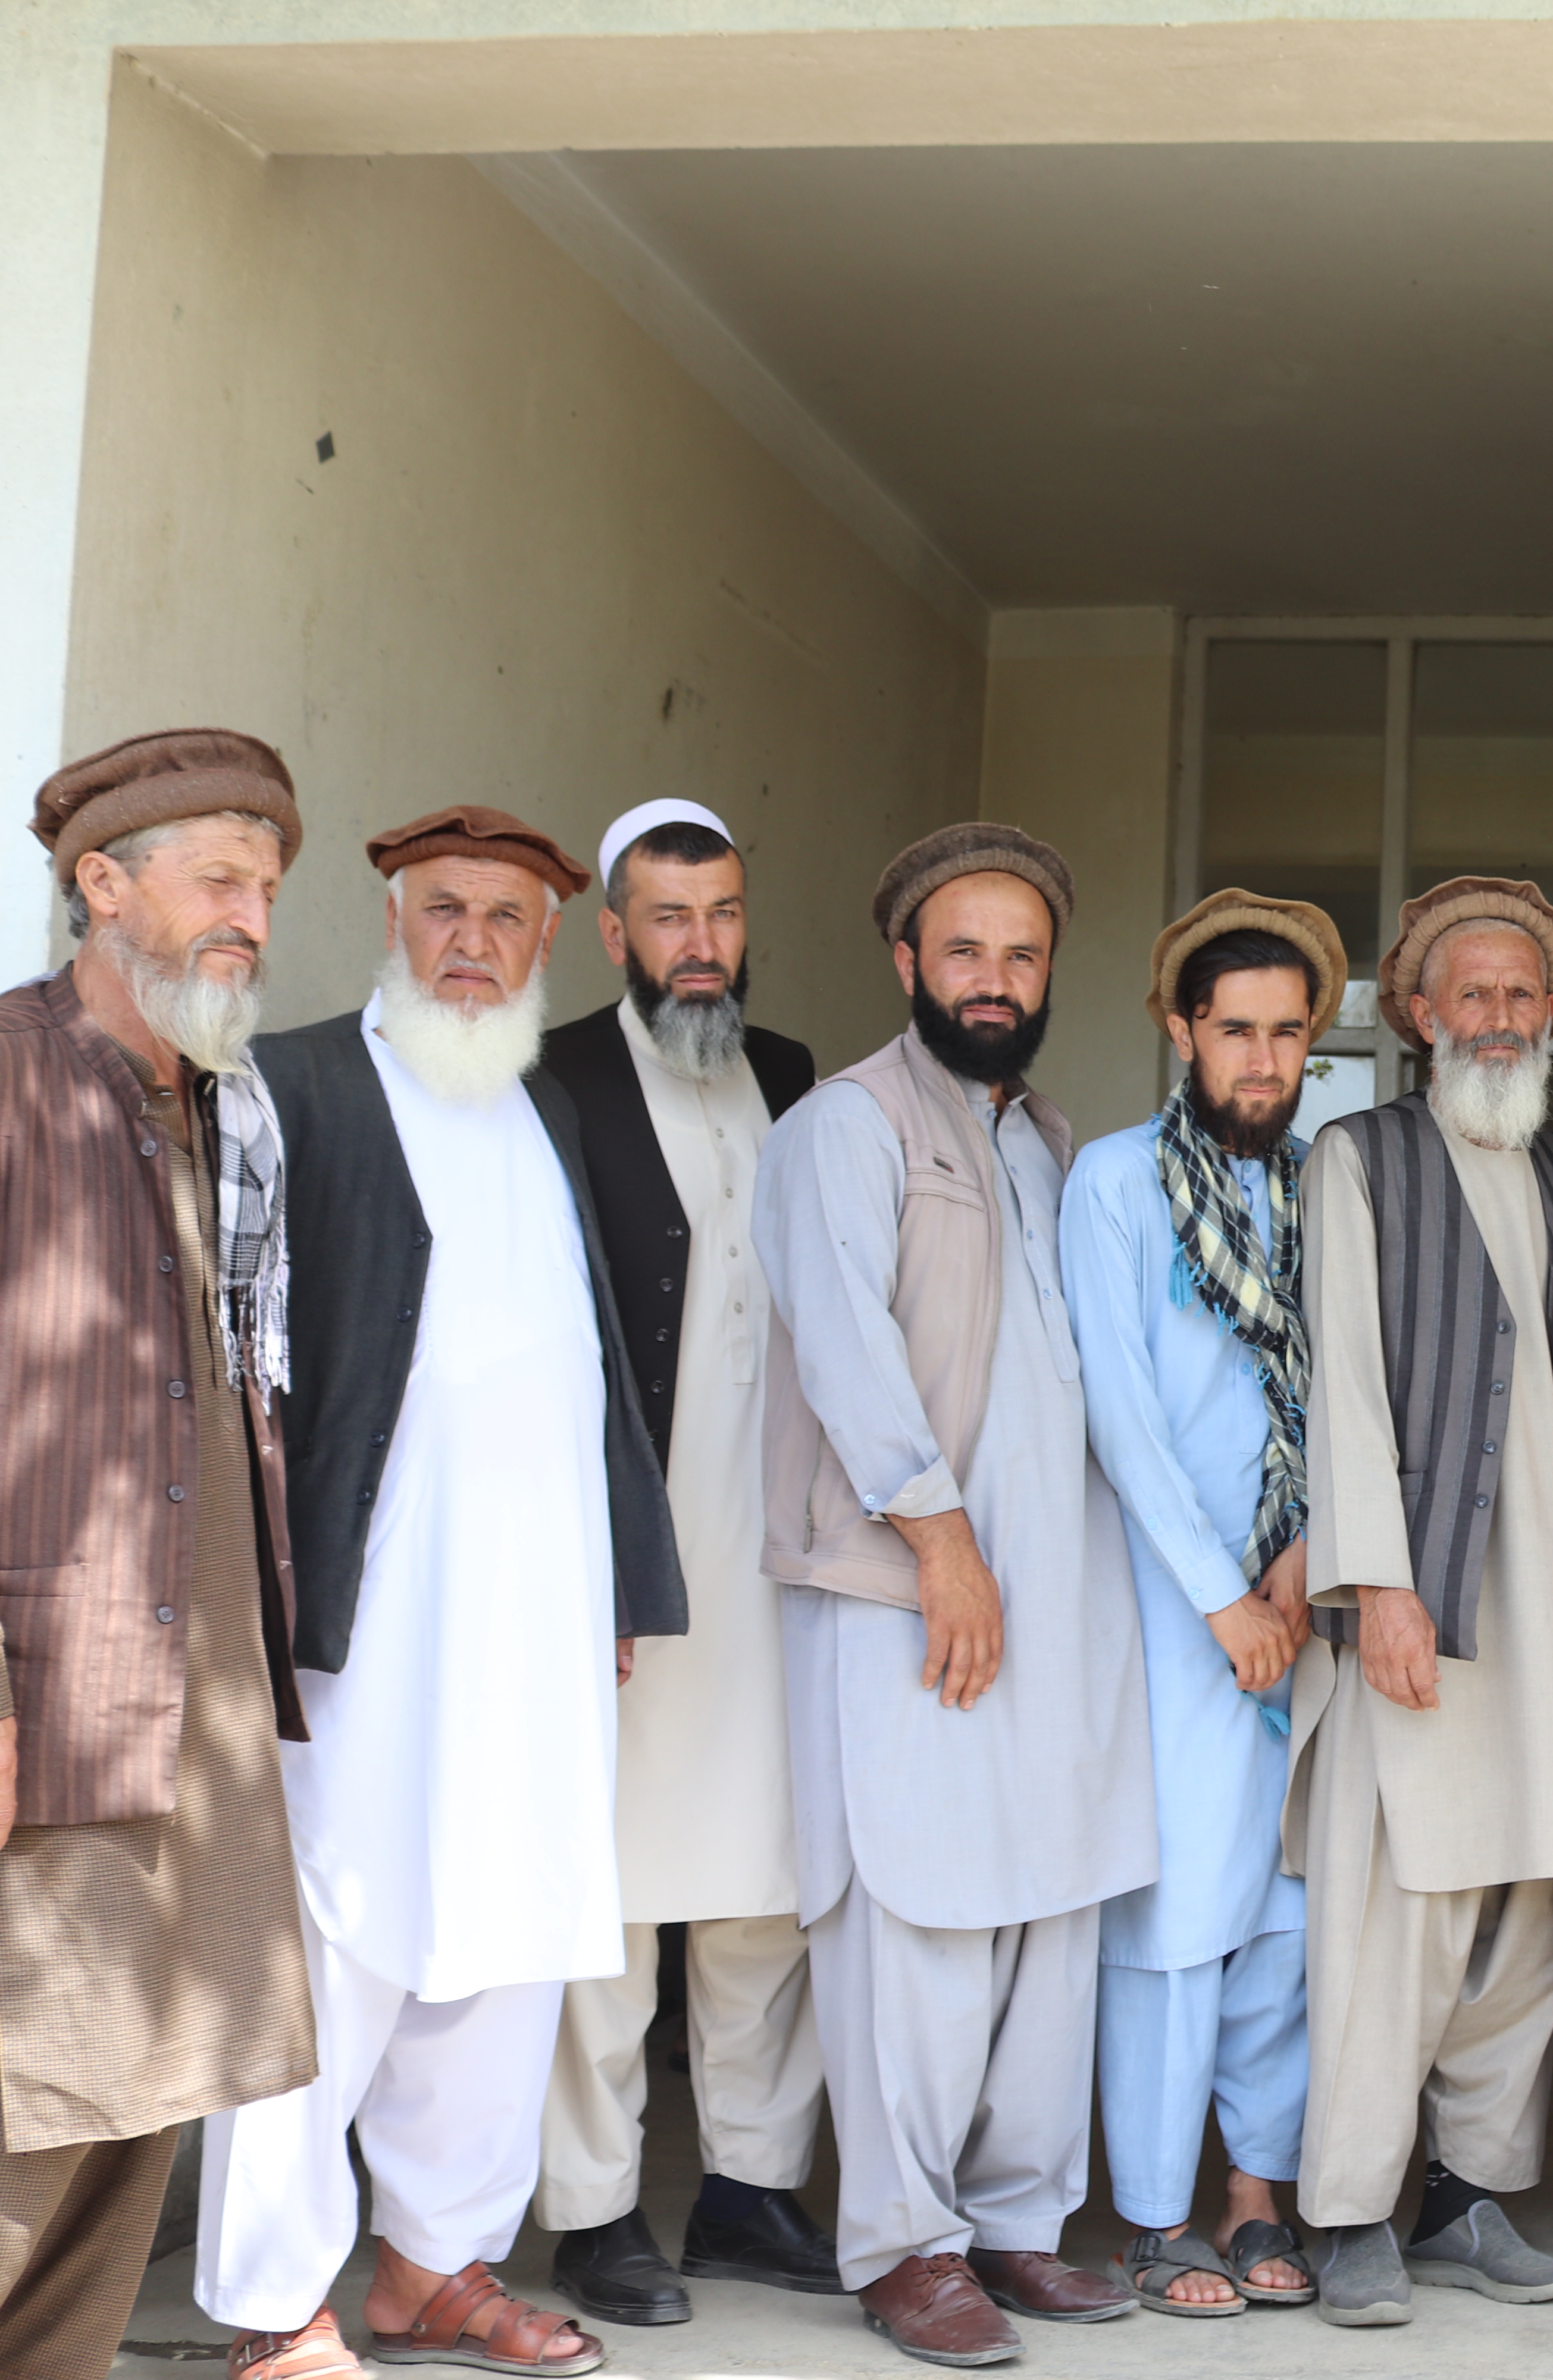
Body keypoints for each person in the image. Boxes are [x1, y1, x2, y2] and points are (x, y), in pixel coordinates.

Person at [203, 806, 688, 2380]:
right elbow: (231, 1359)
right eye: (440, 910)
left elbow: (590, 1363)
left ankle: (433, 2264)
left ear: (548, 944)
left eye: (502, 918)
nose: (470, 941)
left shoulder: (539, 1106)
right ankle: (278, 2305)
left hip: (536, 1623)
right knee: (334, 1940)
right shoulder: (296, 1086)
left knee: (509, 1934)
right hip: (367, 1620)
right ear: (391, 922)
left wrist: (616, 1571)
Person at [755, 825, 1154, 2366]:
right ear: (907, 962)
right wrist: (941, 1544)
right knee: (914, 1922)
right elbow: (849, 1349)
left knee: (1047, 1915)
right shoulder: (846, 1125)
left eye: (1023, 954)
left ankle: (1017, 2223)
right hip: (911, 1590)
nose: (994, 980)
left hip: (1059, 1599)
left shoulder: (1049, 1136)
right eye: (965, 950)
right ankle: (906, 2243)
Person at [0, 734, 314, 2380]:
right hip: (48, 1698)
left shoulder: (223, 1111)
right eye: (218, 879)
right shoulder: (8, 1077)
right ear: (102, 887)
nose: (251, 917)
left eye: (266, 887)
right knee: (35, 2104)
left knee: (143, 2105)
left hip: (186, 1701)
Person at [531, 800, 835, 2325]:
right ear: (614, 930)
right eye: (670, 918)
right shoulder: (556, 1076)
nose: (702, 947)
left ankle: (749, 2186)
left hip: (773, 1548)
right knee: (613, 1896)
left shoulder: (784, 1073)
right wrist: (580, 1559)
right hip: (632, 1550)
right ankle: (592, 2211)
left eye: (721, 915)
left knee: (765, 1889)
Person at [1286, 876, 1553, 2327]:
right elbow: (1339, 1377)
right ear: (1419, 1014)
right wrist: (1380, 1585)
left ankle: (1469, 2192)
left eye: (1521, 994)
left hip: (1549, 1611)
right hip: (1420, 1597)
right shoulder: (1357, 1157)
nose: (1498, 1016)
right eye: (1472, 992)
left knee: (1528, 1903)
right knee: (1396, 1906)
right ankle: (1348, 2207)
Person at [1059, 891, 1341, 2316]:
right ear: (1182, 1030)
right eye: (1236, 1029)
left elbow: (1342, 1394)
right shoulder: (1114, 1181)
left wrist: (1301, 1558)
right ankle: (1157, 2217)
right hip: (1172, 1612)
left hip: (1296, 1603)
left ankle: (1255, 2194)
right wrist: (1225, 1594)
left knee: (1284, 1916)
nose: (1262, 1058)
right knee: (1174, 1922)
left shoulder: (1318, 1188)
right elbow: (1120, 1408)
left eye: (1288, 1033)